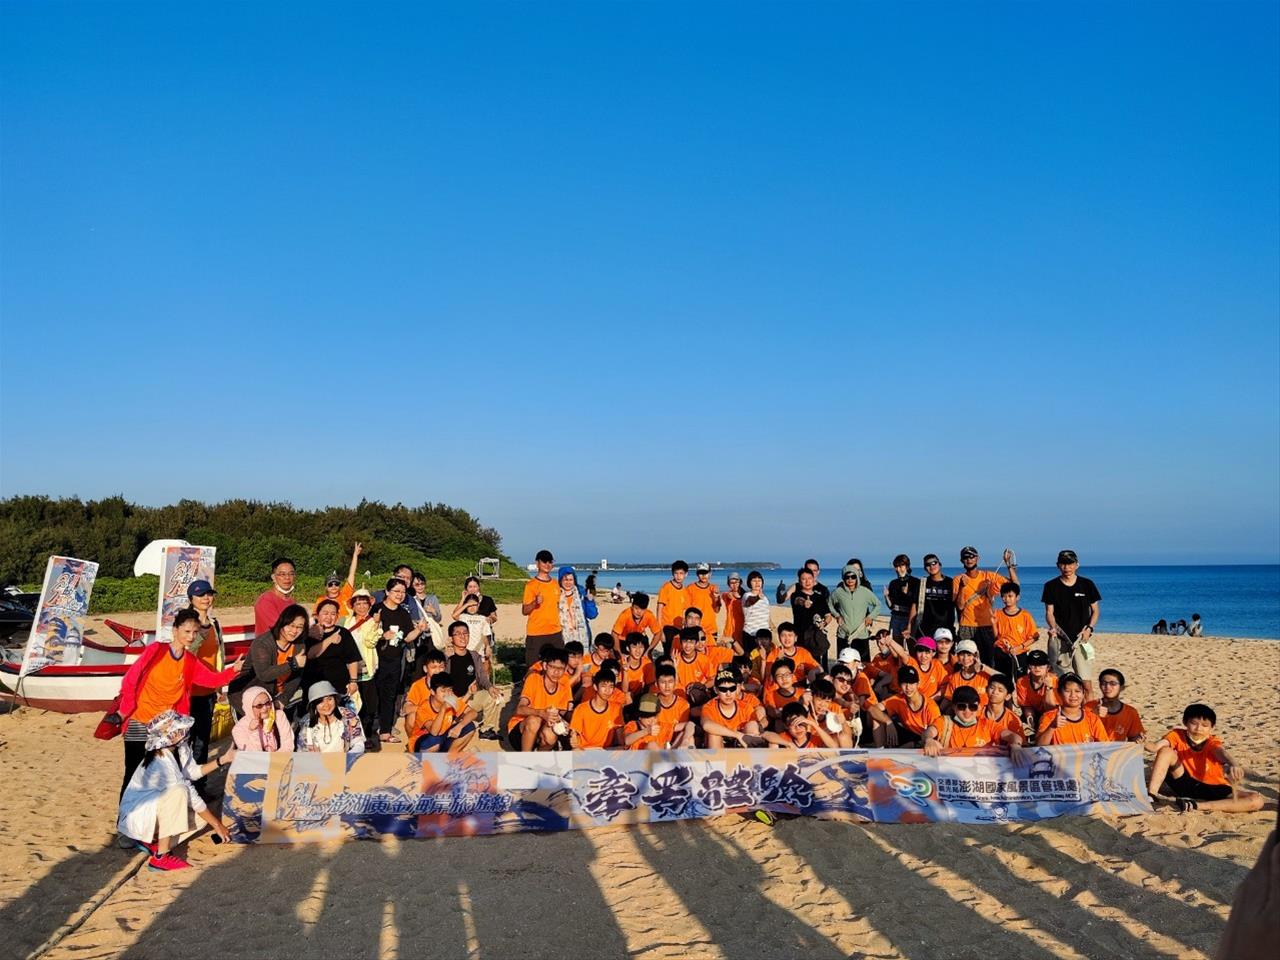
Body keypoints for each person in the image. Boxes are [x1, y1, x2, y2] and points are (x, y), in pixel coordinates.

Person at [114, 608, 244, 800]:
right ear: (175, 630)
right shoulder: (156, 650)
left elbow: (211, 680)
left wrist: (233, 671)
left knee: (163, 774)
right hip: (140, 719)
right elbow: (131, 679)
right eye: (187, 631)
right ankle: (124, 815)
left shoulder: (190, 661)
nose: (191, 637)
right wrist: (124, 710)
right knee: (133, 771)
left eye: (195, 632)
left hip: (166, 727)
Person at [117, 711, 233, 871]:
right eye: (179, 730)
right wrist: (217, 825)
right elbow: (190, 793)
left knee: (200, 820)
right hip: (138, 816)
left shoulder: (179, 748)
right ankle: (161, 856)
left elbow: (192, 772)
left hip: (152, 811)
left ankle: (153, 842)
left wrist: (223, 760)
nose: (184, 732)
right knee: (180, 791)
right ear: (169, 736)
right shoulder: (161, 760)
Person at [1147, 704, 1264, 813]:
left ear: (1212, 727)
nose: (1198, 728)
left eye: (1205, 725)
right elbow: (1155, 747)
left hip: (1212, 786)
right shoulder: (1177, 735)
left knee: (1257, 800)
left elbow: (1221, 753)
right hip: (1184, 781)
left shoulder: (1212, 742)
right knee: (1166, 751)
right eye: (1194, 723)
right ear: (1185, 722)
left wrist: (1234, 764)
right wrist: (1143, 743)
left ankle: (1194, 805)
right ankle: (1151, 795)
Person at [371, 578, 426, 745]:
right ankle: (367, 731)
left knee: (390, 696)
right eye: (396, 591)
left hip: (395, 660)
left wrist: (419, 629)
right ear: (387, 592)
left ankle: (385, 732)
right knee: (372, 695)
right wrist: (382, 636)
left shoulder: (403, 613)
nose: (400, 595)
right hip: (375, 659)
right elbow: (365, 632)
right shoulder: (376, 609)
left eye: (403, 592)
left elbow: (408, 637)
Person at [1041, 549, 1101, 698]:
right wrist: (1053, 628)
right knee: (1062, 683)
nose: (1067, 567)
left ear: (1077, 565)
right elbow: (1049, 612)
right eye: (1063, 564)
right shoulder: (1051, 586)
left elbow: (1095, 611)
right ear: (1058, 565)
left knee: (1086, 684)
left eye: (1070, 564)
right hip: (1060, 640)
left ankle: (1088, 711)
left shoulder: (1087, 584)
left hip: (1080, 640)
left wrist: (1089, 629)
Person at [953, 546, 1018, 665]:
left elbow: (1015, 585)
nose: (969, 559)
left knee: (989, 661)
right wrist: (962, 586)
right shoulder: (958, 579)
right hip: (967, 625)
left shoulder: (988, 576)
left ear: (977, 558)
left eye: (972, 556)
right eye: (966, 557)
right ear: (962, 560)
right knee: (966, 661)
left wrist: (1008, 564)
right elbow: (960, 606)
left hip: (987, 625)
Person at [184, 579, 224, 769]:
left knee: (202, 741)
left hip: (208, 691)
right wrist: (199, 633)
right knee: (184, 740)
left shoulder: (215, 624)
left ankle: (199, 782)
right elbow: (185, 654)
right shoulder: (186, 624)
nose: (206, 598)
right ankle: (182, 780)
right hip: (188, 691)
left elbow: (219, 655)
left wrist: (219, 685)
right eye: (200, 595)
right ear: (191, 598)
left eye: (209, 594)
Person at [442, 620, 503, 737]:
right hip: (452, 700)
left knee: (492, 696)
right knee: (460, 718)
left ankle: (486, 730)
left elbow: (482, 677)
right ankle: (456, 720)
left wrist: (490, 687)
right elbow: (440, 680)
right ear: (451, 638)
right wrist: (446, 658)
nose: (463, 636)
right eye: (458, 634)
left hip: (470, 698)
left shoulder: (474, 655)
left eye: (465, 633)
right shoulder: (446, 657)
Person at [922, 685, 1021, 756]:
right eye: (961, 706)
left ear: (978, 707)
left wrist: (1016, 746)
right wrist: (929, 740)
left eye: (972, 707)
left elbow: (1013, 736)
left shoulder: (987, 725)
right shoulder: (944, 722)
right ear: (954, 707)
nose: (967, 711)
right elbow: (928, 732)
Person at [508, 645, 573, 751]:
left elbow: (563, 712)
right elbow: (519, 709)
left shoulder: (564, 685)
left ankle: (539, 756)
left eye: (560, 668)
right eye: (553, 667)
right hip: (521, 730)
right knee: (534, 720)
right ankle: (525, 756)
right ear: (545, 666)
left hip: (543, 729)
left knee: (551, 734)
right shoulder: (534, 679)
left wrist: (569, 722)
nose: (556, 672)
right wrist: (541, 713)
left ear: (565, 669)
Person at [867, 665, 941, 747]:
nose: (908, 687)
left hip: (923, 739)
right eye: (904, 683)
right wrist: (888, 721)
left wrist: (919, 743)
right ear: (899, 684)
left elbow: (937, 733)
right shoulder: (898, 699)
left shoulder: (931, 706)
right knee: (877, 718)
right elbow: (872, 709)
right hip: (907, 734)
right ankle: (881, 751)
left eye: (912, 683)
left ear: (918, 684)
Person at [304, 599, 362, 702]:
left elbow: (352, 659)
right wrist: (330, 640)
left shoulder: (343, 633)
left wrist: (353, 681)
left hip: (339, 684)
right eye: (325, 613)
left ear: (337, 616)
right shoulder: (310, 633)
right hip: (314, 684)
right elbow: (310, 654)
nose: (329, 617)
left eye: (333, 614)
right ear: (317, 615)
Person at [405, 672, 478, 753]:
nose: (447, 694)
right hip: (423, 743)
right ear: (432, 692)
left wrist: (459, 726)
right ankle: (428, 759)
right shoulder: (423, 708)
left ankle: (450, 756)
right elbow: (434, 732)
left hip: (442, 738)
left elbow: (473, 713)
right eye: (443, 691)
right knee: (435, 739)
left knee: (469, 726)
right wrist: (443, 709)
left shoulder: (452, 699)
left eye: (450, 690)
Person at [344, 589, 381, 741]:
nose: (361, 607)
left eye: (364, 603)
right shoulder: (348, 621)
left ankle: (367, 734)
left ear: (369, 605)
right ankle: (352, 734)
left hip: (366, 668)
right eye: (358, 604)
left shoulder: (374, 621)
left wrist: (376, 624)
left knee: (368, 703)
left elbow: (370, 642)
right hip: (348, 668)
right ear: (353, 606)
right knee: (351, 702)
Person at [1035, 673, 1109, 745]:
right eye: (1067, 691)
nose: (1073, 695)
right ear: (1059, 693)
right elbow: (1039, 745)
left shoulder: (1092, 718)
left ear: (1083, 693)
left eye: (1077, 691)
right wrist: (1052, 727)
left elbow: (1105, 745)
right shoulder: (1049, 717)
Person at [700, 669, 766, 748]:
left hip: (740, 745)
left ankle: (749, 755)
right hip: (718, 745)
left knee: (752, 725)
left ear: (737, 688)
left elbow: (755, 730)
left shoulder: (745, 707)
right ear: (716, 690)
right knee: (713, 734)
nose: (728, 694)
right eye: (723, 689)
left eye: (732, 689)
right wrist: (737, 735)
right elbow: (706, 725)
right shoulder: (710, 707)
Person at [297, 681, 366, 753]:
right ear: (314, 705)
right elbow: (302, 752)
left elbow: (359, 744)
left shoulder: (348, 716)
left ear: (335, 699)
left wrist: (348, 757)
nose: (326, 705)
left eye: (330, 699)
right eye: (320, 701)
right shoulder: (307, 725)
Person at [829, 563, 879, 662]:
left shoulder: (864, 591)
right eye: (847, 577)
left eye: (853, 576)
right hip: (843, 635)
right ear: (843, 578)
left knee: (863, 665)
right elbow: (829, 604)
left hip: (861, 634)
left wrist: (871, 616)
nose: (850, 579)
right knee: (844, 665)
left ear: (857, 577)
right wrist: (837, 615)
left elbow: (878, 604)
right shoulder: (838, 592)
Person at [521, 549, 562, 666]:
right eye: (544, 561)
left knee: (557, 664)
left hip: (555, 631)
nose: (547, 564)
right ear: (537, 563)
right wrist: (535, 603)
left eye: (550, 562)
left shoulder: (555, 584)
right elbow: (524, 611)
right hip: (536, 631)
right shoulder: (531, 585)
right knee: (534, 666)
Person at [991, 582, 1039, 679]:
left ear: (1017, 597)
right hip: (1001, 652)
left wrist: (1019, 647)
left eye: (1010, 596)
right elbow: (996, 636)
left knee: (1020, 680)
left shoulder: (1025, 615)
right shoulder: (998, 613)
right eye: (1004, 596)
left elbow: (1035, 637)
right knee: (1002, 679)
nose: (1006, 599)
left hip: (1019, 653)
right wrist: (993, 623)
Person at [569, 667, 624, 748]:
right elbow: (574, 735)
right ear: (595, 687)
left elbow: (620, 740)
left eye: (611, 686)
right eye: (604, 686)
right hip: (585, 750)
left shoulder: (616, 708)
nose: (607, 690)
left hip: (606, 750)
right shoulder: (581, 709)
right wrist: (574, 740)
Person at [1086, 669, 1146, 743]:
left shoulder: (1130, 712)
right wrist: (1093, 715)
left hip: (1117, 749)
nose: (1107, 687)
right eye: (1104, 683)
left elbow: (1134, 737)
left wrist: (1138, 738)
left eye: (1113, 683)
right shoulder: (1089, 707)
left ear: (1122, 687)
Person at [790, 566, 833, 668]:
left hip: (816, 637)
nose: (807, 581)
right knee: (801, 665)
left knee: (814, 664)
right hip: (801, 636)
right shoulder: (795, 595)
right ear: (799, 581)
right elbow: (798, 600)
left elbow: (828, 615)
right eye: (803, 579)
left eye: (809, 578)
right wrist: (804, 602)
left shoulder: (820, 598)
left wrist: (824, 623)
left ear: (814, 580)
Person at [231, 685, 294, 753]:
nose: (265, 708)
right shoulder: (238, 729)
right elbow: (253, 755)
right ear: (249, 707)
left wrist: (275, 758)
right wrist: (253, 732)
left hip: (280, 758)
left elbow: (288, 746)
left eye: (267, 703)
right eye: (259, 705)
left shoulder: (279, 716)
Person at [937, 639, 990, 713]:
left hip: (982, 716)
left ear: (976, 656)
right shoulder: (954, 678)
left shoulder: (985, 675)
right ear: (958, 657)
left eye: (969, 655)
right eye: (962, 655)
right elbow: (948, 699)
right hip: (962, 716)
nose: (965, 658)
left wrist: (983, 667)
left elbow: (1003, 679)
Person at [1015, 649, 1058, 734]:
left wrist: (1049, 688)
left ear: (1048, 667)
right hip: (1034, 713)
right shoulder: (1022, 682)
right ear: (1028, 666)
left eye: (1041, 664)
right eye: (1033, 664)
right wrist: (1030, 720)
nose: (1037, 668)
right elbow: (1026, 706)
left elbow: (1051, 709)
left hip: (1052, 714)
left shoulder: (1055, 681)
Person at [765, 700, 840, 749]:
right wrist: (788, 744)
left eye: (801, 723)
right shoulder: (785, 737)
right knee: (773, 743)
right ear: (786, 726)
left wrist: (813, 724)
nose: (798, 728)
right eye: (793, 724)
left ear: (806, 722)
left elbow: (833, 746)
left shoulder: (814, 739)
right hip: (793, 768)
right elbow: (765, 734)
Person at [313, 542, 362, 616]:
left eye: (336, 584)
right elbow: (315, 616)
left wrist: (355, 555)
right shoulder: (321, 600)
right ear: (326, 587)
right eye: (330, 584)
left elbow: (352, 574)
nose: (333, 586)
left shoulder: (345, 594)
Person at [253, 557, 299, 636]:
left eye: (291, 574)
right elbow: (281, 630)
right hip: (271, 643)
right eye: (282, 574)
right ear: (273, 577)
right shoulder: (265, 601)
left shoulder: (292, 602)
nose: (287, 578)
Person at [917, 554, 956, 642]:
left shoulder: (951, 582)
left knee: (945, 650)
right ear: (925, 568)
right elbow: (915, 605)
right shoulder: (922, 583)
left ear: (940, 564)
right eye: (928, 565)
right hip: (926, 628)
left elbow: (958, 604)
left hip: (947, 628)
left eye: (934, 563)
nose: (932, 566)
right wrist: (909, 625)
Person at [557, 566, 597, 648]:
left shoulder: (581, 594)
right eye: (565, 580)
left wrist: (589, 601)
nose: (568, 582)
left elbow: (592, 615)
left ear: (574, 580)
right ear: (560, 581)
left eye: (571, 580)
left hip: (582, 637)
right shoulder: (556, 595)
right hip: (562, 638)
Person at [656, 561, 692, 651]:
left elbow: (686, 610)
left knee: (678, 652)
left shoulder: (685, 590)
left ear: (686, 574)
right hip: (667, 627)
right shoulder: (666, 587)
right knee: (669, 652)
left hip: (680, 628)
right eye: (676, 573)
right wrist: (660, 631)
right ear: (672, 573)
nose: (678, 576)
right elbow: (659, 609)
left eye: (681, 573)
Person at [611, 592, 661, 656]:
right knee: (619, 658)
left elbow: (658, 633)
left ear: (646, 609)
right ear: (632, 607)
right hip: (623, 638)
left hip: (639, 637)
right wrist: (619, 654)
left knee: (647, 658)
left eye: (642, 609)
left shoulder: (649, 615)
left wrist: (649, 651)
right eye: (636, 608)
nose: (639, 612)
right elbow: (614, 634)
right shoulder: (625, 615)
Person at [884, 555, 920, 640]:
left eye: (901, 566)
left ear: (907, 566)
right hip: (895, 617)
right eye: (896, 567)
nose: (898, 569)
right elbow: (891, 606)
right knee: (895, 643)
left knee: (910, 643)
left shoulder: (915, 582)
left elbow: (917, 603)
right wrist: (886, 597)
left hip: (909, 618)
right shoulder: (893, 583)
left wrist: (908, 594)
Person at [981, 674, 1024, 745]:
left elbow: (1020, 745)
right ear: (986, 689)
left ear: (1008, 696)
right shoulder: (976, 713)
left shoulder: (1013, 720)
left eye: (1000, 690)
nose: (995, 692)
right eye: (992, 688)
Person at [685, 563, 722, 641]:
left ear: (710, 574)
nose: (703, 575)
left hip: (711, 629)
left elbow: (717, 610)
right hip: (695, 628)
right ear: (697, 574)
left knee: (711, 648)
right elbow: (687, 610)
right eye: (701, 573)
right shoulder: (690, 588)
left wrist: (716, 598)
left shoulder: (714, 588)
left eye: (706, 573)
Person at [741, 571, 771, 641]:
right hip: (751, 634)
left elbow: (767, 616)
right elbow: (749, 601)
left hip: (764, 634)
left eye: (759, 580)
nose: (757, 583)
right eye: (754, 581)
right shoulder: (747, 595)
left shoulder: (765, 598)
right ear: (749, 583)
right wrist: (758, 597)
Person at [720, 572, 745, 645]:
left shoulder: (745, 596)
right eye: (731, 583)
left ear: (740, 582)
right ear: (728, 584)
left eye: (736, 582)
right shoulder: (726, 595)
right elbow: (724, 596)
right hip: (729, 630)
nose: (734, 585)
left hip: (741, 630)